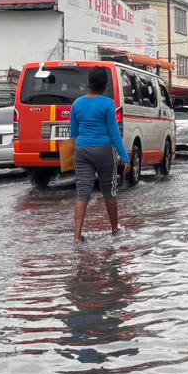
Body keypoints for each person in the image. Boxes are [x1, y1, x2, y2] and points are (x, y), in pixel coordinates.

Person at [69, 68, 131, 246]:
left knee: (82, 193)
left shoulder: (77, 104)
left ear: (89, 84)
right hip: (104, 150)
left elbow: (73, 133)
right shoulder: (107, 104)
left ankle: (77, 236)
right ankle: (114, 230)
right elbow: (114, 133)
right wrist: (125, 158)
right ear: (105, 85)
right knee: (109, 191)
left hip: (82, 150)